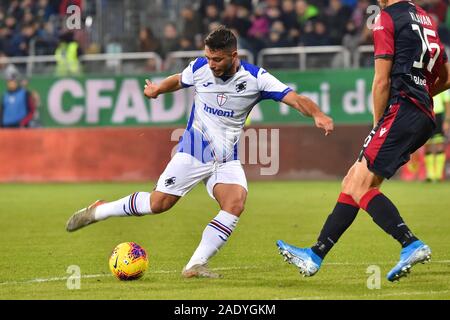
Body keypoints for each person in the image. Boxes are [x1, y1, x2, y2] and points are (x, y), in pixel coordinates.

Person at [65, 26, 334, 278]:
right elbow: (179, 79)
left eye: (216, 59)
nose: (211, 64)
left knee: (235, 203)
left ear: (233, 55)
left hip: (226, 156)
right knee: (159, 204)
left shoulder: (256, 79)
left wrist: (317, 114)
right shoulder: (200, 68)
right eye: (208, 57)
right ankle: (100, 210)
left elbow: (295, 98)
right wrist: (158, 89)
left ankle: (195, 264)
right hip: (194, 148)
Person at [277, 0, 450, 282]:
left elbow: (381, 81)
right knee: (353, 180)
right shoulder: (426, 19)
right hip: (421, 114)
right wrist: (421, 93)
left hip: (401, 110)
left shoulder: (386, 18)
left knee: (360, 184)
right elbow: (446, 77)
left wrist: (378, 123)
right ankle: (315, 254)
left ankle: (411, 243)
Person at [424, 90, 450, 182]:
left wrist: (447, 120)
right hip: (426, 114)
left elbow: (447, 102)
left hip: (438, 115)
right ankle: (430, 175)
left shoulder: (441, 80)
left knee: (439, 144)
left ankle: (438, 175)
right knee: (427, 145)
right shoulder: (423, 82)